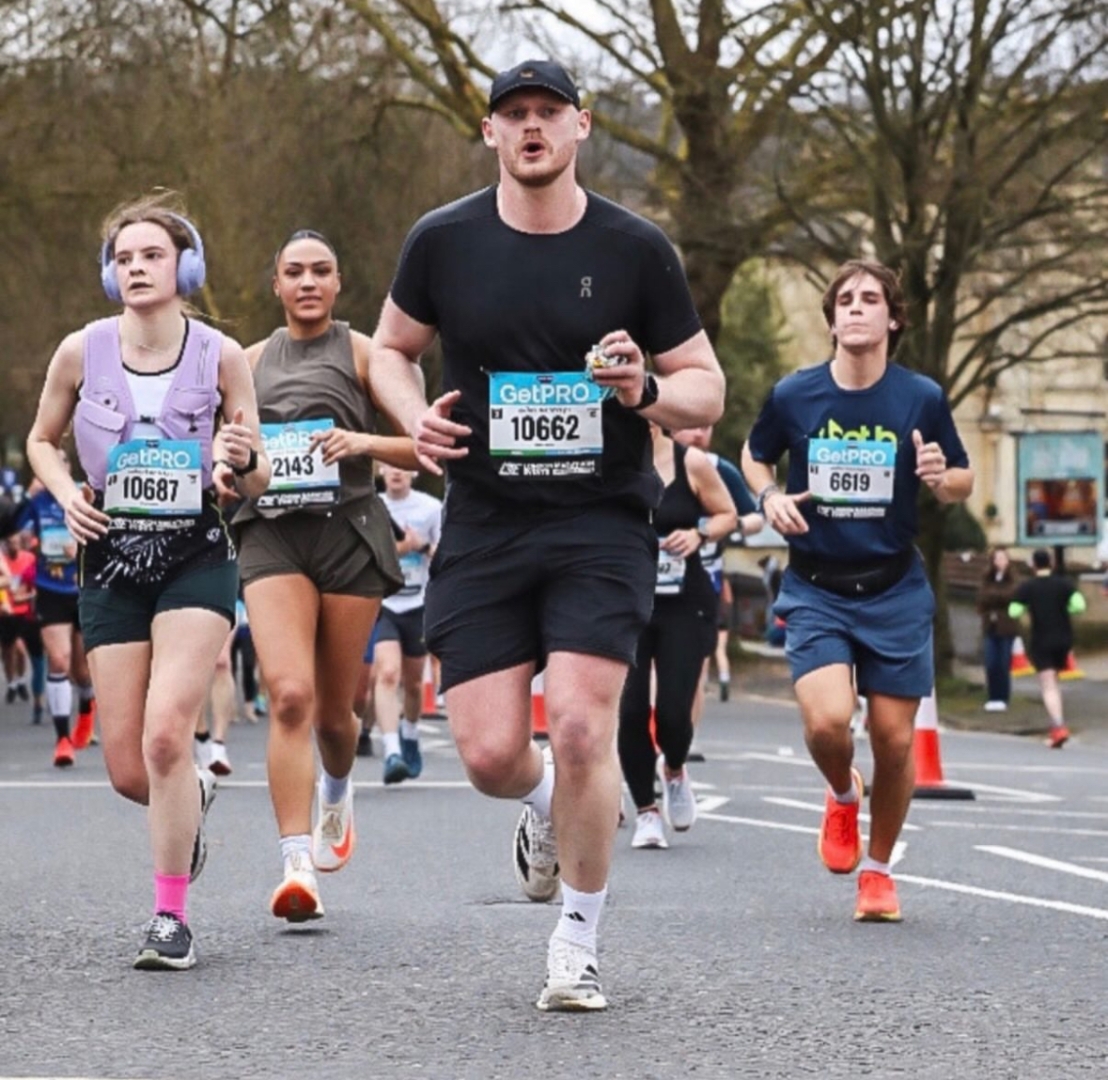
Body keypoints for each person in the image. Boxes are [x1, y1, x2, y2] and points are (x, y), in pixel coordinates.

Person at [368, 58, 725, 1011]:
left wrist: (644, 391)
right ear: (490, 132)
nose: (532, 127)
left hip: (598, 522)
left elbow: (707, 389)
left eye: (549, 113)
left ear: (581, 127)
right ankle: (543, 810)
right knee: (490, 753)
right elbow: (392, 349)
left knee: (577, 725)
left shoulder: (635, 248)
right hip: (486, 520)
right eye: (515, 113)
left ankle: (577, 941)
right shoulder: (443, 240)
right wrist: (413, 417)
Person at [25, 192, 269, 970]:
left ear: (185, 268)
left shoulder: (221, 355)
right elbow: (41, 439)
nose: (135, 268)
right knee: (132, 769)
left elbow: (256, 475)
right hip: (111, 560)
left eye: (151, 255)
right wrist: (65, 492)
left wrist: (240, 462)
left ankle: (170, 919)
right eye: (123, 258)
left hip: (196, 553)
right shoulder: (81, 351)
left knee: (167, 732)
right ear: (110, 275)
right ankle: (188, 795)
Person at [741, 258, 974, 924]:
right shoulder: (796, 394)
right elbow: (754, 453)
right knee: (826, 722)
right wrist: (769, 495)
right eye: (845, 299)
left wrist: (940, 476)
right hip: (817, 586)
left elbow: (962, 479)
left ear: (893, 319)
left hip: (893, 587)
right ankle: (843, 793)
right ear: (832, 320)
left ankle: (878, 870)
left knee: (896, 742)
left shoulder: (920, 397)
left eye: (870, 298)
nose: (856, 308)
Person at [235, 229, 412, 925]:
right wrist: (227, 468)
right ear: (276, 285)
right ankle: (296, 863)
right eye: (294, 272)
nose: (307, 282)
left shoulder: (366, 353)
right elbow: (228, 452)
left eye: (321, 271)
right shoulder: (247, 362)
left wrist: (362, 441)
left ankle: (337, 789)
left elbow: (427, 443)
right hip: (272, 534)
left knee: (336, 715)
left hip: (348, 535)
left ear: (339, 284)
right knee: (288, 696)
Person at [618, 424, 736, 850]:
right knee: (631, 709)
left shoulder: (692, 462)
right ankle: (646, 813)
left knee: (672, 711)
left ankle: (673, 768)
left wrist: (699, 533)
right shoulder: (609, 456)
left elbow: (728, 514)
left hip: (684, 603)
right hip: (626, 600)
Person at [11, 465, 97, 763]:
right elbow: (10, 529)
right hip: (50, 589)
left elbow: (108, 533)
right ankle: (62, 740)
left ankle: (86, 709)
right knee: (58, 661)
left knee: (82, 671)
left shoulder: (85, 493)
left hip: (83, 587)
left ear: (68, 467)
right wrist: (26, 497)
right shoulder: (37, 500)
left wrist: (84, 548)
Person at [373, 464, 442, 784]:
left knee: (414, 684)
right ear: (380, 470)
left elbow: (446, 555)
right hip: (384, 604)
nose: (397, 473)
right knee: (387, 673)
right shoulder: (373, 506)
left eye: (404, 467)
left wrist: (422, 547)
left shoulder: (431, 508)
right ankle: (392, 752)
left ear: (415, 472)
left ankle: (410, 734)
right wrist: (400, 549)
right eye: (390, 467)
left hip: (419, 605)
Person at [1008, 548, 1086, 748]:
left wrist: (1029, 607)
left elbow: (1013, 611)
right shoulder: (1064, 584)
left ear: (1034, 565)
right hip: (1064, 639)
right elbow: (1079, 606)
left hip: (1041, 639)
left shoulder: (1028, 587)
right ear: (1051, 563)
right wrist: (1064, 609)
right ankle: (1056, 727)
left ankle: (1058, 726)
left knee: (1048, 685)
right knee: (1055, 681)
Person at [976, 546, 1020, 712]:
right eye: (997, 558)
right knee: (991, 662)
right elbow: (982, 597)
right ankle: (992, 697)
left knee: (1003, 663)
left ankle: (1003, 697)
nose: (1000, 562)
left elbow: (1011, 595)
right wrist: (995, 598)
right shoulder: (987, 578)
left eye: (1003, 558)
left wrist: (993, 596)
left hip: (1006, 627)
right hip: (990, 625)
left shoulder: (1013, 579)